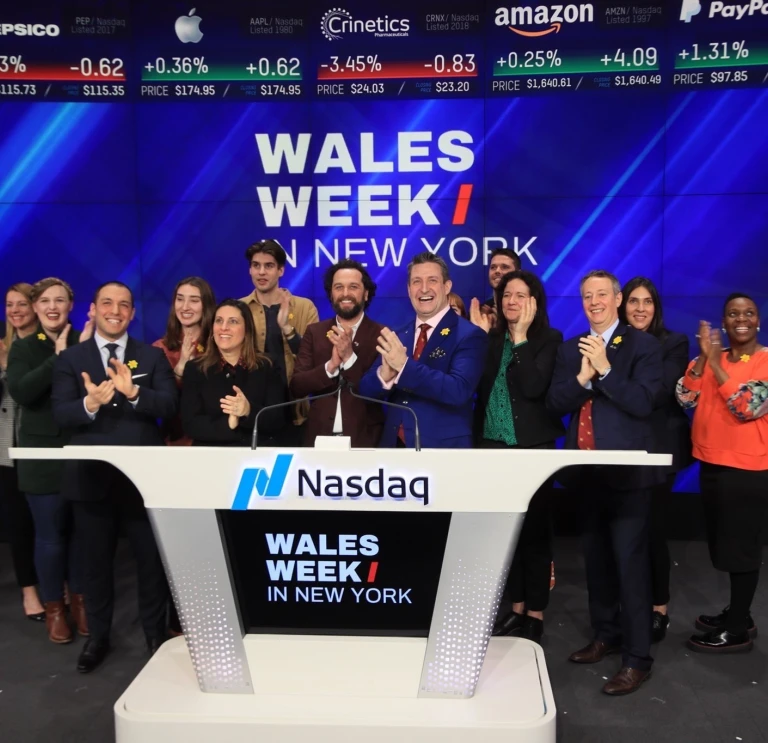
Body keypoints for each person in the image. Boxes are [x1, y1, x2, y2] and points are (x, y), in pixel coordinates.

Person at [546, 270, 663, 696]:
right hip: (586, 474)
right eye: (586, 296)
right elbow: (555, 403)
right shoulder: (570, 348)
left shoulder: (644, 346)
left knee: (630, 568)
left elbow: (643, 403)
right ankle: (605, 635)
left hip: (628, 477)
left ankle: (637, 659)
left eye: (601, 294)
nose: (593, 302)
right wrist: (582, 378)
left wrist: (606, 371)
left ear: (617, 300)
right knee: (596, 564)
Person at [52, 281, 178, 673]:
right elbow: (60, 412)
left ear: (132, 313)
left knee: (151, 563)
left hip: (143, 481)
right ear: (93, 309)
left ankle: (155, 635)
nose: (115, 310)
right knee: (95, 565)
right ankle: (98, 638)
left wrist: (135, 394)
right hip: (91, 478)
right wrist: (89, 403)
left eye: (123, 305)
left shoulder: (151, 356)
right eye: (107, 303)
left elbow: (169, 405)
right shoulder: (70, 358)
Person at [473, 271, 564, 642]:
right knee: (505, 534)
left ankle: (535, 613)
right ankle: (516, 607)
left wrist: (522, 338)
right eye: (506, 294)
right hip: (492, 449)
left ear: (534, 302)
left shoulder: (549, 339)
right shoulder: (491, 340)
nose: (511, 301)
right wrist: (479, 337)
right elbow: (476, 387)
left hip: (532, 450)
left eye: (519, 295)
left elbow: (533, 387)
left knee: (535, 533)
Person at [677, 293, 768, 653]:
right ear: (724, 322)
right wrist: (704, 360)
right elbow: (685, 398)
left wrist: (716, 365)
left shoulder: (765, 360)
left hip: (747, 470)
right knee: (725, 545)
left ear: (758, 320)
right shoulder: (710, 357)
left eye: (748, 313)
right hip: (712, 464)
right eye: (733, 313)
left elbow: (747, 406)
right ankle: (739, 614)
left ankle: (737, 631)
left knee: (741, 549)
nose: (741, 319)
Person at [7, 278, 93, 644]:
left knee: (80, 536)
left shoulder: (85, 342)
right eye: (45, 301)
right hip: (41, 458)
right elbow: (22, 391)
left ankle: (81, 602)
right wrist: (56, 358)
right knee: (50, 537)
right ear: (36, 307)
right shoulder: (25, 347)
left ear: (71, 305)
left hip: (81, 452)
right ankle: (55, 607)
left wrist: (80, 351)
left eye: (60, 300)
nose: (53, 307)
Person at [619, 277, 692, 643]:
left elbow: (658, 392)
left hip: (660, 448)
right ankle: (629, 605)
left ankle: (658, 607)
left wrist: (617, 382)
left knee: (652, 532)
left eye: (647, 302)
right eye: (634, 301)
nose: (640, 308)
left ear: (656, 307)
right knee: (623, 533)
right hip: (620, 447)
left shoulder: (673, 342)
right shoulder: (613, 342)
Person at [358, 252, 487, 448]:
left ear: (447, 287)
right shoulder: (398, 335)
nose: (424, 288)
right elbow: (365, 390)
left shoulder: (469, 335)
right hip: (394, 448)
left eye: (432, 280)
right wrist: (385, 375)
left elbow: (458, 390)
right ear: (409, 289)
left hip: (442, 450)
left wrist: (404, 367)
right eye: (416, 282)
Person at [291, 260, 384, 447]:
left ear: (366, 293)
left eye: (353, 287)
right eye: (339, 287)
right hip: (318, 439)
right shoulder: (315, 332)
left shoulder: (381, 335)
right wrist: (330, 366)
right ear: (331, 293)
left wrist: (349, 358)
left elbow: (379, 391)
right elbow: (297, 386)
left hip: (365, 441)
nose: (345, 293)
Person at [239, 239, 319, 445]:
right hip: (251, 412)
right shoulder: (239, 309)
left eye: (269, 266)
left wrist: (287, 328)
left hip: (295, 411)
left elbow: (313, 359)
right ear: (250, 270)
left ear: (281, 270)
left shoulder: (304, 307)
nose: (261, 272)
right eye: (256, 265)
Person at [181, 299, 285, 446]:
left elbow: (278, 419)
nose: (224, 328)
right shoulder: (195, 369)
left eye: (233, 322)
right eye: (219, 321)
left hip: (256, 453)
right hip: (211, 454)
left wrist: (249, 411)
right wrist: (229, 424)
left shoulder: (268, 365)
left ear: (247, 330)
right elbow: (190, 424)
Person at [0, 283, 45, 621]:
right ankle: (29, 591)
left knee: (49, 523)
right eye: (9, 305)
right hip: (8, 447)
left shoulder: (48, 346)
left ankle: (57, 586)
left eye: (21, 304)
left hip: (43, 445)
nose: (15, 311)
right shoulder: (3, 346)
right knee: (18, 523)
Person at [153, 277, 216, 446]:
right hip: (173, 439)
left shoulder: (218, 347)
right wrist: (180, 367)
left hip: (213, 437)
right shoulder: (160, 349)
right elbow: (158, 402)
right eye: (180, 299)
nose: (185, 307)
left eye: (194, 301)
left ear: (206, 305)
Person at [469, 248, 521, 329]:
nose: (497, 271)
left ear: (518, 273)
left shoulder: (528, 309)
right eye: (493, 267)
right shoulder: (480, 313)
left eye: (504, 267)